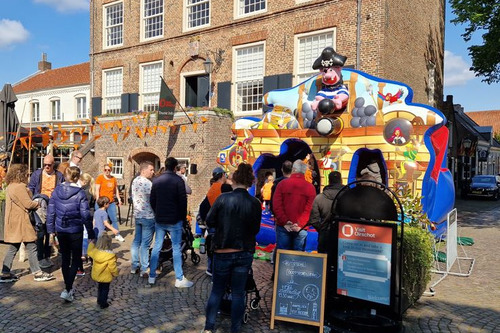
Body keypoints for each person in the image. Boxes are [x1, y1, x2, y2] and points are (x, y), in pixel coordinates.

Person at [202, 163, 262, 333]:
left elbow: (209, 220)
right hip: (243, 253)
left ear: (234, 180)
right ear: (250, 182)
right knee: (238, 293)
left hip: (223, 251)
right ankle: (234, 329)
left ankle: (209, 328)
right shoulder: (255, 203)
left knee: (217, 291)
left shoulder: (223, 199)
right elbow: (255, 229)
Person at [47, 166, 95, 302]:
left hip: (61, 229)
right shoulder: (80, 193)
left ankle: (67, 288)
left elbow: (51, 213)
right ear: (77, 177)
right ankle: (68, 288)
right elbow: (86, 215)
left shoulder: (56, 191)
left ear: (66, 176)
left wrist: (51, 231)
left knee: (66, 259)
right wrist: (91, 232)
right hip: (75, 230)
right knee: (75, 259)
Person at [0, 164, 55, 283]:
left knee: (13, 247)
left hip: (14, 221)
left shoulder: (10, 186)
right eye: (27, 174)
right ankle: (37, 273)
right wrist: (38, 203)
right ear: (21, 174)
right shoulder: (19, 187)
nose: (28, 176)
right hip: (21, 221)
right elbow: (28, 204)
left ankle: (5, 273)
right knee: (31, 246)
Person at [149, 157, 192, 287]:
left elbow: (152, 199)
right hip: (174, 220)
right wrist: (182, 217)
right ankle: (179, 278)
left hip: (160, 219)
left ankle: (152, 275)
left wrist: (157, 212)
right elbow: (183, 202)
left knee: (157, 246)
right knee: (176, 248)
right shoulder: (178, 180)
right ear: (175, 168)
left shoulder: (156, 181)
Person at [28, 154, 64, 269]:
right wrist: (34, 202)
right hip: (39, 206)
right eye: (45, 165)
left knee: (50, 233)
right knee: (40, 233)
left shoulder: (59, 176)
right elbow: (31, 188)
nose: (47, 167)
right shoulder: (37, 174)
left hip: (53, 206)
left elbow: (62, 190)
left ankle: (47, 255)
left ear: (53, 164)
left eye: (49, 165)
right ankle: (40, 257)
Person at [272, 160, 316, 254]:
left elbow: (276, 205)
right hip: (301, 227)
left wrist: (285, 221)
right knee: (298, 257)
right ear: (304, 171)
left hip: (284, 226)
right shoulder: (310, 187)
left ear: (293, 169)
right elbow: (309, 209)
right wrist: (300, 224)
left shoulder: (282, 184)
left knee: (282, 256)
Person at [130, 161, 156, 278]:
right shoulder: (148, 183)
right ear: (143, 170)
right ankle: (144, 268)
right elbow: (153, 200)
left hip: (138, 215)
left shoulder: (134, 181)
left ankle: (134, 265)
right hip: (148, 216)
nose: (153, 172)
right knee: (145, 244)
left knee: (136, 241)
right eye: (151, 170)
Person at [309, 171, 343, 253]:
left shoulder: (319, 198)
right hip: (343, 235)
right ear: (341, 181)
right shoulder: (348, 196)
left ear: (329, 181)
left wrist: (322, 229)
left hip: (325, 236)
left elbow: (313, 220)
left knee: (324, 263)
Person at [87, 232, 118, 309]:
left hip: (97, 275)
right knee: (105, 289)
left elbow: (89, 251)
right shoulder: (110, 256)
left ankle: (99, 300)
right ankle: (103, 303)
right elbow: (112, 267)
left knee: (100, 287)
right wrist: (115, 274)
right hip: (106, 276)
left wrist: (91, 243)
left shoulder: (95, 252)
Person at [95, 163, 124, 242]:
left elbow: (116, 189)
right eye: (105, 170)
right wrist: (98, 200)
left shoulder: (113, 179)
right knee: (99, 219)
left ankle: (117, 234)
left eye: (109, 170)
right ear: (103, 170)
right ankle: (99, 235)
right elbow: (97, 189)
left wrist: (119, 199)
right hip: (101, 202)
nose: (107, 171)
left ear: (111, 170)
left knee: (114, 219)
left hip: (110, 202)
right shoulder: (100, 178)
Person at [78, 173, 96, 275]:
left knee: (85, 236)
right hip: (90, 215)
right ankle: (89, 256)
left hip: (85, 215)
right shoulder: (90, 190)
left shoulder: (84, 192)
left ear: (84, 181)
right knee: (89, 237)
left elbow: (84, 206)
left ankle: (84, 254)